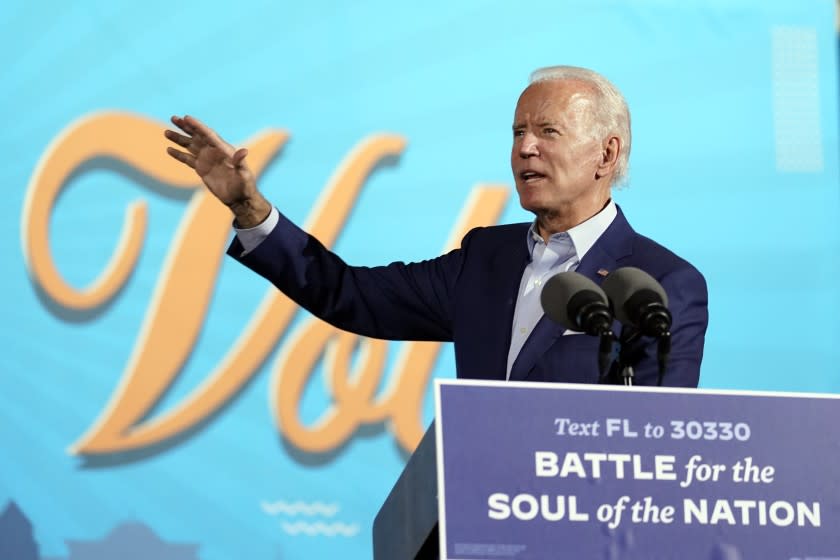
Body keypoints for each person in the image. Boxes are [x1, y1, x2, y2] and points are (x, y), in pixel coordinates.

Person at [164, 65, 708, 386]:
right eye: (517, 131)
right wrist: (251, 211)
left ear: (606, 154)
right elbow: (348, 295)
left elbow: (664, 442)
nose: (524, 148)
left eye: (548, 131)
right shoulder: (485, 260)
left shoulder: (661, 284)